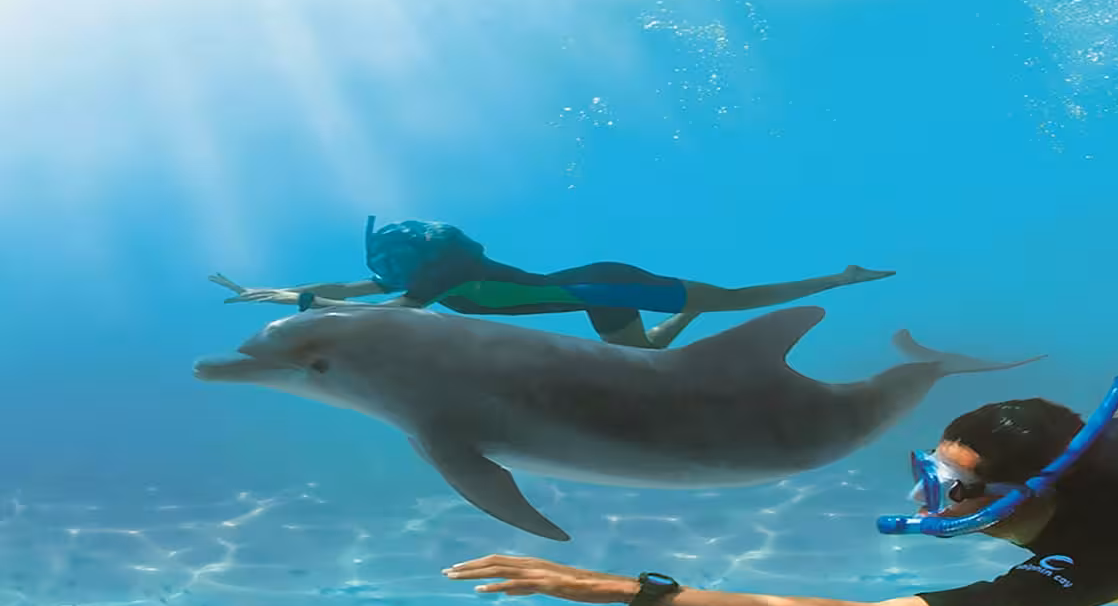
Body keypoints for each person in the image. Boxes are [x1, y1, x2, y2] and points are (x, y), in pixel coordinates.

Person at [440, 331, 1118, 606]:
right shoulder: (1074, 452)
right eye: (934, 471)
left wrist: (628, 590)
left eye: (958, 485)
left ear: (1032, 490)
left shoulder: (1078, 569)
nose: (931, 497)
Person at [209, 216, 894, 349]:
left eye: (390, 261)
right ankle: (693, 317)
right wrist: (280, 292)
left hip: (603, 285)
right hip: (588, 292)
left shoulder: (434, 283)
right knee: (649, 355)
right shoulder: (428, 277)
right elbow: (359, 290)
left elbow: (387, 308)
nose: (382, 272)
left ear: (415, 261)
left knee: (738, 299)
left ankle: (842, 277)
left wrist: (304, 306)